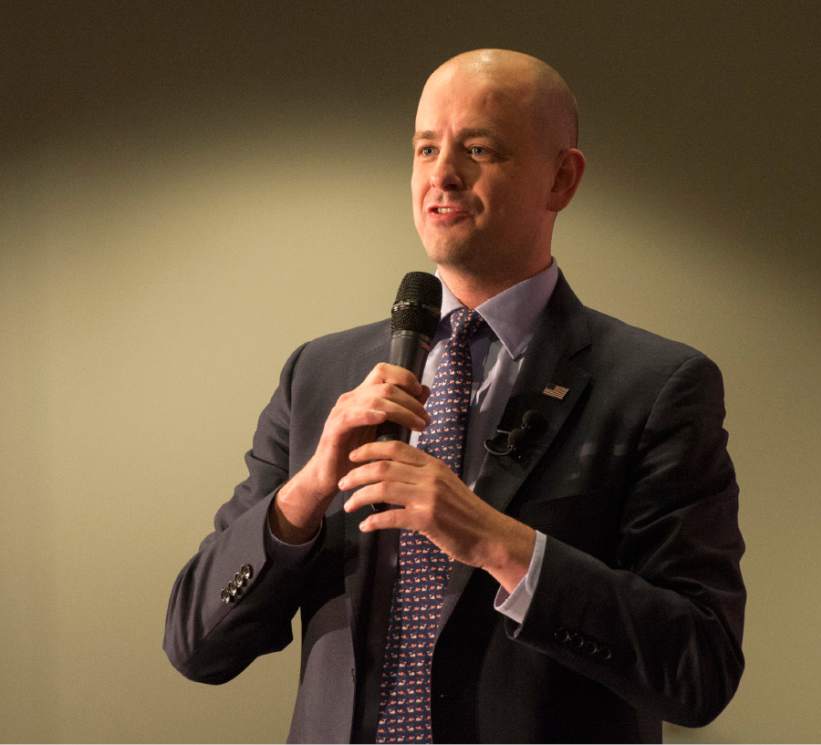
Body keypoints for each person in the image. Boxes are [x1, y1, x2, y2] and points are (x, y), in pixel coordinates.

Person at [163, 48, 746, 743]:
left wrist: (500, 543)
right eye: (426, 148)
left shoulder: (653, 387)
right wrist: (306, 490)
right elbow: (195, 643)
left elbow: (699, 667)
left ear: (562, 178)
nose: (442, 174)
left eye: (478, 148)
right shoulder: (320, 375)